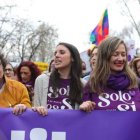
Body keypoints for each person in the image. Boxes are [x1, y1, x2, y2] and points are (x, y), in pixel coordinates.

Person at [80, 36, 140, 111]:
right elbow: (87, 118)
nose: (120, 59)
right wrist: (84, 107)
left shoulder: (135, 81)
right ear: (104, 57)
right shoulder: (92, 84)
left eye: (123, 54)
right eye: (115, 54)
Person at [33, 42, 86, 115]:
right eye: (55, 53)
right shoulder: (41, 80)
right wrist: (37, 109)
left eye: (62, 52)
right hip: (45, 125)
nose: (56, 55)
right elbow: (35, 109)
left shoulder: (83, 84)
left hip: (71, 126)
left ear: (73, 58)